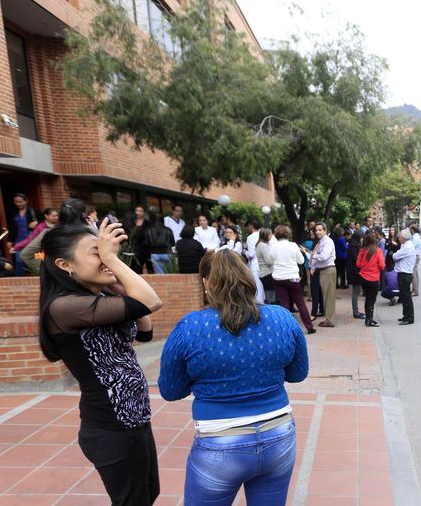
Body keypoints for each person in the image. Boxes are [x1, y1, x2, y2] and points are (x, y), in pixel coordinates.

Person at [158, 249, 308, 505]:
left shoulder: (191, 327)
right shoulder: (282, 318)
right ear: (248, 277)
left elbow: (171, 390)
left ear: (207, 282)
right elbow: (298, 373)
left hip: (219, 442)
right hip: (278, 436)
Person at [38, 220, 162, 506]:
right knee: (132, 501)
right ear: (64, 264)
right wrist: (114, 261)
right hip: (111, 427)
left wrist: (121, 288)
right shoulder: (64, 306)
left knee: (147, 494)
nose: (106, 256)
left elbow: (145, 332)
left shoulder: (98, 299)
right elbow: (151, 301)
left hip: (135, 420)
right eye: (96, 252)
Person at [270, 225, 316, 335]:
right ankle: (309, 327)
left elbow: (270, 260)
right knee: (300, 303)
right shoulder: (293, 245)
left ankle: (286, 329)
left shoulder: (273, 247)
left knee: (284, 304)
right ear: (288, 234)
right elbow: (300, 261)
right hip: (292, 277)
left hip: (278, 277)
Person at [310, 222, 337, 328]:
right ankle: (328, 319)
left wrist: (312, 254)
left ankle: (330, 320)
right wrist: (313, 266)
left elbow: (324, 256)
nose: (317, 232)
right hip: (323, 270)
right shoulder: (321, 241)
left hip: (328, 270)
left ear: (325, 231)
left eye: (320, 230)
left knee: (328, 297)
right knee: (326, 296)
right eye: (316, 230)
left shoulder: (328, 242)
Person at [356, 232, 385, 327]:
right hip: (373, 279)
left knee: (367, 299)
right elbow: (382, 265)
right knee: (371, 300)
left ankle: (368, 318)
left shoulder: (362, 250)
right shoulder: (378, 251)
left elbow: (358, 265)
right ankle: (370, 319)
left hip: (363, 277)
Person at [8, 193, 40, 276]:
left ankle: (40, 277)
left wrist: (37, 222)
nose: (18, 204)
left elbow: (45, 223)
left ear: (26, 201)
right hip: (19, 241)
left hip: (33, 240)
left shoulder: (34, 211)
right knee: (19, 261)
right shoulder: (13, 213)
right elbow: (11, 227)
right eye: (16, 202)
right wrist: (10, 240)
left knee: (38, 259)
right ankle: (20, 280)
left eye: (20, 201)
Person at [392, 229, 416, 325]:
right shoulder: (405, 245)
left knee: (406, 297)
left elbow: (395, 256)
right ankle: (405, 315)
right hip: (403, 273)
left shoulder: (408, 246)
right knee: (404, 296)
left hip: (405, 274)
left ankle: (409, 318)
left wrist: (395, 255)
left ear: (404, 237)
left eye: (400, 237)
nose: (399, 238)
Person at [123, 206, 151, 274]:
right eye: (137, 210)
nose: (138, 212)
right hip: (131, 250)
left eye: (140, 211)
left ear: (144, 213)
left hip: (144, 249)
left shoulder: (148, 223)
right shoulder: (129, 223)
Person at [244, 219, 265, 304]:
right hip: (265, 264)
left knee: (258, 286)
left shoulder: (250, 237)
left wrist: (245, 251)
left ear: (251, 226)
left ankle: (260, 304)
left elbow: (251, 254)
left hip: (255, 264)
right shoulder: (263, 234)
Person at [346, 230, 364, 319]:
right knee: (355, 292)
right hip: (355, 272)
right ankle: (355, 312)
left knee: (356, 292)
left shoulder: (352, 245)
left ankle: (356, 311)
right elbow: (356, 259)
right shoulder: (353, 247)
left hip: (354, 271)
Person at [257, 228, 276, 304]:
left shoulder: (259, 244)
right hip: (267, 273)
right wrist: (275, 258)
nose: (271, 235)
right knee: (271, 297)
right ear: (266, 235)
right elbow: (268, 261)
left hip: (263, 273)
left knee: (267, 294)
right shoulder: (263, 245)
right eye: (270, 234)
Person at [409, 225, 421, 296]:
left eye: (410, 229)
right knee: (415, 274)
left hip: (415, 256)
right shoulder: (414, 237)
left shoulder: (416, 237)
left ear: (412, 230)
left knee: (413, 274)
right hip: (415, 256)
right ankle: (415, 289)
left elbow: (411, 247)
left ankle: (415, 290)